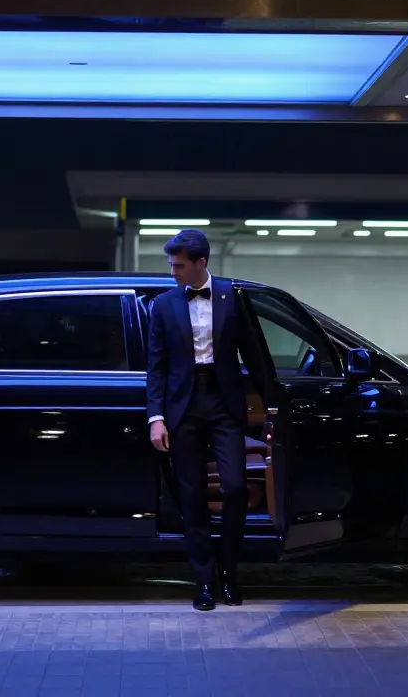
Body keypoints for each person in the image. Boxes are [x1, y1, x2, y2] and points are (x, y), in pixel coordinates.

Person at [146, 229, 252, 611]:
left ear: (201, 263)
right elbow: (155, 367)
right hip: (183, 407)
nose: (173, 271)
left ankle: (229, 572)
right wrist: (156, 417)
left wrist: (271, 406)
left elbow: (254, 355)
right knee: (191, 498)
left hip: (224, 403)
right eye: (172, 264)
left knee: (236, 488)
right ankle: (204, 581)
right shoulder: (163, 305)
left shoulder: (232, 297)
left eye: (179, 265)